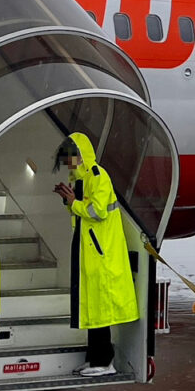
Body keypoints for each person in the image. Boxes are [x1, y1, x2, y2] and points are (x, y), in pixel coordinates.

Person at [55, 132, 138, 377]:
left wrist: (73, 202)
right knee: (91, 308)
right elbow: (82, 214)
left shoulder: (98, 177)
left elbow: (97, 211)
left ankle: (104, 361)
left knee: (100, 309)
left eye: (69, 157)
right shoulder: (82, 179)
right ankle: (93, 359)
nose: (67, 163)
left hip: (101, 253)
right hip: (89, 252)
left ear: (80, 155)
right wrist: (69, 200)